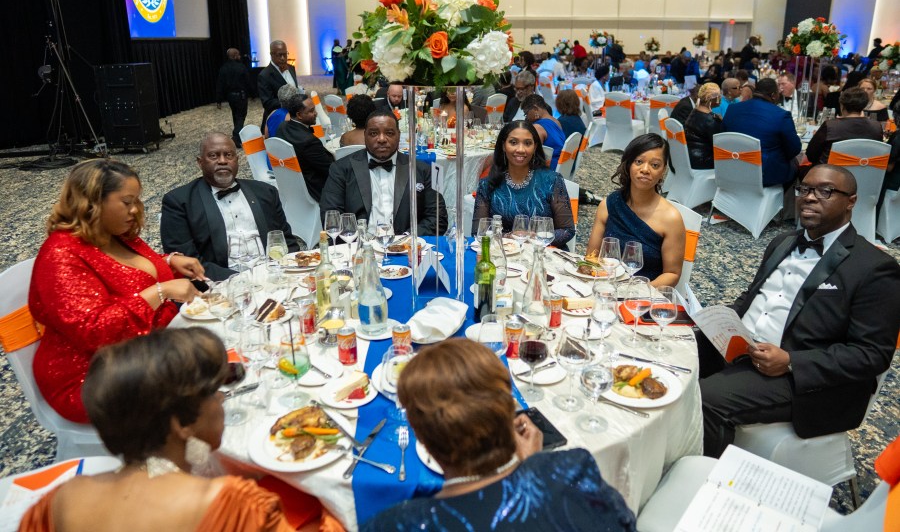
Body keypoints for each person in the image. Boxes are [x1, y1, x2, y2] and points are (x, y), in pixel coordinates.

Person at [698, 165, 900, 458]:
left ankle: (703, 474)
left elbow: (872, 354)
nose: (810, 197)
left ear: (851, 201)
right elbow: (753, 297)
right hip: (743, 347)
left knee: (706, 398)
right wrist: (720, 321)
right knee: (674, 353)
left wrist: (792, 362)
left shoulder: (875, 268)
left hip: (800, 378)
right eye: (804, 189)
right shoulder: (782, 242)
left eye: (825, 191)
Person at [19, 327, 297, 531]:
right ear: (182, 425)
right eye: (214, 393)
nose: (221, 400)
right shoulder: (231, 506)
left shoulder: (62, 500)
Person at [363, 338, 636, 531]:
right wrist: (532, 467)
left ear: (421, 437)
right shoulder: (572, 472)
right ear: (509, 411)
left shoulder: (395, 524)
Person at [30, 160, 205, 423]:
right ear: (92, 202)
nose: (135, 209)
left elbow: (126, 274)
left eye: (137, 200)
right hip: (94, 376)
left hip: (144, 350)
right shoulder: (60, 255)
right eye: (126, 202)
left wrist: (169, 261)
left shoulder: (114, 233)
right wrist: (161, 291)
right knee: (201, 384)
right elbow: (95, 332)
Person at [161, 133, 299, 281]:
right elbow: (187, 263)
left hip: (274, 274)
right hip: (222, 283)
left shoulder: (265, 192)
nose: (222, 161)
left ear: (237, 160)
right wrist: (243, 280)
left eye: (228, 155)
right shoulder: (179, 202)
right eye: (213, 156)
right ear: (200, 162)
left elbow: (286, 241)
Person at [319, 110, 448, 235]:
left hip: (406, 245)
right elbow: (331, 217)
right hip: (359, 245)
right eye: (373, 133)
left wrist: (406, 239)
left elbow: (438, 219)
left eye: (389, 133)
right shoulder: (341, 169)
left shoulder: (423, 170)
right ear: (365, 136)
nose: (381, 139)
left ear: (399, 135)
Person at [585, 134, 685, 286]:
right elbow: (592, 257)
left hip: (646, 293)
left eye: (655, 165)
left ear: (663, 171)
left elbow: (672, 274)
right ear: (629, 164)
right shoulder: (608, 205)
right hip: (605, 286)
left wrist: (636, 293)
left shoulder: (671, 218)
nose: (645, 170)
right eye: (639, 162)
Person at [472, 121, 575, 246]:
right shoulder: (487, 184)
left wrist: (535, 238)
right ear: (503, 146)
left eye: (527, 143)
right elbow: (478, 232)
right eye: (513, 142)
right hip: (504, 251)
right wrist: (508, 237)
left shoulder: (551, 181)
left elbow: (567, 230)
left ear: (535, 147)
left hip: (542, 251)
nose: (520, 149)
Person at [722, 77, 801, 187]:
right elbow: (795, 149)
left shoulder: (732, 109)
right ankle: (783, 197)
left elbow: (723, 137)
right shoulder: (781, 115)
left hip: (733, 167)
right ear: (773, 95)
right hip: (764, 175)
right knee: (795, 163)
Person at [274, 94, 335, 202]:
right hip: (315, 189)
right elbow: (331, 170)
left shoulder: (282, 127)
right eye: (311, 111)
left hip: (291, 185)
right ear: (299, 115)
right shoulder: (309, 141)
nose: (316, 113)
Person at [805, 87, 884, 166]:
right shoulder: (876, 126)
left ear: (841, 105)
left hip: (831, 172)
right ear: (864, 105)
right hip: (865, 171)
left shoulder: (830, 126)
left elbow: (811, 155)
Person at [257, 40, 298, 129]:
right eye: (279, 55)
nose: (283, 58)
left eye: (285, 54)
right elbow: (268, 103)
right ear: (271, 54)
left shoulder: (291, 68)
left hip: (294, 117)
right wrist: (291, 102)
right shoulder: (264, 75)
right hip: (277, 120)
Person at [683, 82, 724, 170]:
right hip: (703, 161)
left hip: (689, 156)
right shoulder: (711, 120)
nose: (720, 98)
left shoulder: (694, 112)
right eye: (718, 96)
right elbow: (720, 145)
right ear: (711, 99)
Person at [215, 48, 250, 148]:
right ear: (234, 56)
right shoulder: (241, 67)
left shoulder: (223, 68)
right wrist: (252, 94)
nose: (240, 56)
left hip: (230, 96)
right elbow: (248, 82)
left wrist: (218, 100)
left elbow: (220, 84)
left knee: (235, 115)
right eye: (238, 55)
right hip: (241, 96)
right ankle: (236, 137)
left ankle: (238, 137)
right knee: (241, 116)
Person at [521, 94, 565, 169]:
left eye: (526, 113)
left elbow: (531, 156)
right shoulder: (557, 122)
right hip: (560, 166)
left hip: (548, 169)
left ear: (535, 109)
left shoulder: (537, 127)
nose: (527, 117)